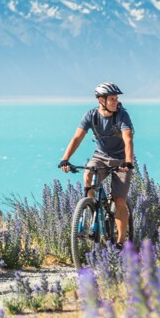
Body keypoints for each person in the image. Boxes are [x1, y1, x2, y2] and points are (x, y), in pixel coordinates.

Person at [58, 82, 135, 249]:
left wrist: (128, 162)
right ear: (101, 100)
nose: (116, 102)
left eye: (116, 98)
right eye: (112, 99)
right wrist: (65, 158)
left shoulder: (122, 115)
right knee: (87, 174)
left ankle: (121, 242)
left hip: (121, 160)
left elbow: (128, 139)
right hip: (100, 157)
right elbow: (77, 138)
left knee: (119, 200)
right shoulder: (91, 116)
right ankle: (92, 206)